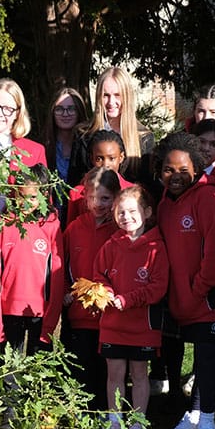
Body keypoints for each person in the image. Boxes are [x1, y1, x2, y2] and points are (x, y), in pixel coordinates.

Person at [158, 132, 215, 429]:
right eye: (167, 169)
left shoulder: (210, 198)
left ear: (197, 168)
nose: (175, 176)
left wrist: (198, 289)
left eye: (182, 169)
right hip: (179, 299)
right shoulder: (164, 203)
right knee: (188, 356)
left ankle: (208, 422)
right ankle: (192, 416)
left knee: (207, 358)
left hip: (209, 298)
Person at [94, 185, 168, 429]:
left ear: (146, 212)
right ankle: (115, 420)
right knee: (114, 374)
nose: (126, 217)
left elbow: (158, 286)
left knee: (139, 374)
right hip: (113, 323)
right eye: (120, 212)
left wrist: (128, 299)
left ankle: (138, 423)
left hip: (142, 326)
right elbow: (99, 275)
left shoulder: (156, 247)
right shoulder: (110, 245)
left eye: (132, 211)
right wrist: (106, 292)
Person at [61, 167, 121, 409]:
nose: (98, 204)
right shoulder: (75, 228)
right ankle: (82, 411)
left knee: (106, 368)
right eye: (93, 197)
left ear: (116, 197)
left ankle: (107, 411)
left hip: (110, 316)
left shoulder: (119, 230)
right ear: (84, 197)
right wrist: (67, 292)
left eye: (105, 198)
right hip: (79, 313)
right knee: (81, 364)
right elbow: (61, 264)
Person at [0, 165, 63, 356]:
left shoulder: (52, 225)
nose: (26, 203)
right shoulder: (5, 223)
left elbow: (56, 272)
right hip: (10, 306)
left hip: (39, 308)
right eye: (21, 196)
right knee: (8, 365)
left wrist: (52, 311)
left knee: (38, 365)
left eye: (33, 197)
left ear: (45, 194)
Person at [69, 66, 155, 187]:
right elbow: (74, 183)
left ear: (127, 96)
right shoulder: (83, 134)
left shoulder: (144, 137)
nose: (111, 102)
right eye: (106, 95)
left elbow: (148, 186)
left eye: (117, 95)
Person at [63, 130, 132, 229]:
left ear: (121, 157)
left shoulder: (132, 192)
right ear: (92, 158)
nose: (106, 164)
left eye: (111, 158)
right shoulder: (77, 194)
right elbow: (71, 231)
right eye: (99, 159)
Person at [44, 87, 89, 187]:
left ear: (79, 111)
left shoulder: (88, 146)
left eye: (71, 109)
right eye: (59, 109)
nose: (65, 114)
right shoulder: (43, 146)